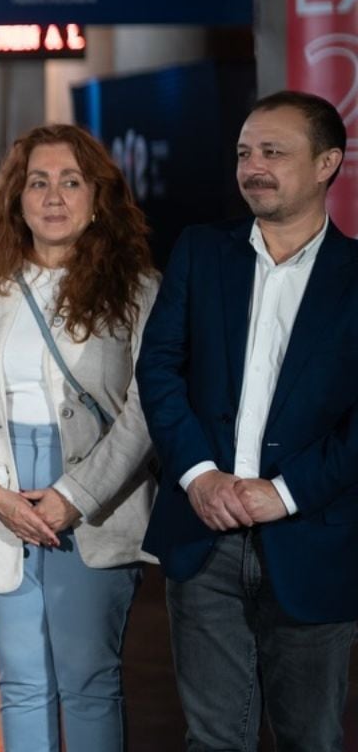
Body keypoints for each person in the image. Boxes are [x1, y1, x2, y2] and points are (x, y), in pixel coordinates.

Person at [138, 90, 358, 750]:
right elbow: (159, 371)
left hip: (312, 539)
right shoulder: (202, 252)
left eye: (272, 151)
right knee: (212, 739)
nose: (252, 166)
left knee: (308, 738)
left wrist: (283, 493)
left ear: (326, 163)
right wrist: (200, 478)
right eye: (243, 152)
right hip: (204, 536)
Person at [0, 124, 159, 752]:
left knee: (90, 681)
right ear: (17, 198)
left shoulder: (137, 290)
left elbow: (144, 412)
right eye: (39, 182)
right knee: (21, 682)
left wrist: (74, 495)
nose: (54, 196)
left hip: (92, 497)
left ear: (96, 196)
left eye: (70, 181)